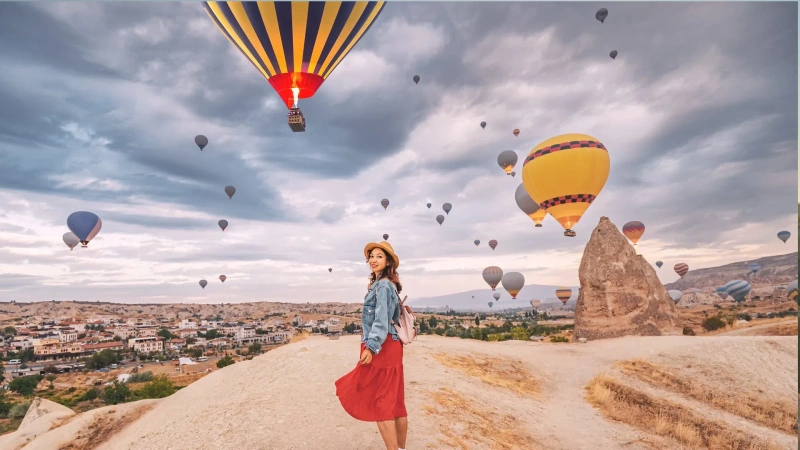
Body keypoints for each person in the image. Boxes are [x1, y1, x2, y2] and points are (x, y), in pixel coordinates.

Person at [335, 241, 408, 450]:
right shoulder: (385, 284)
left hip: (382, 346)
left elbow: (381, 320)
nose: (373, 260)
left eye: (379, 256)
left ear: (388, 262)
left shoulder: (384, 285)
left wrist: (371, 346)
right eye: (371, 256)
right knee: (395, 403)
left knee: (382, 403)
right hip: (389, 345)